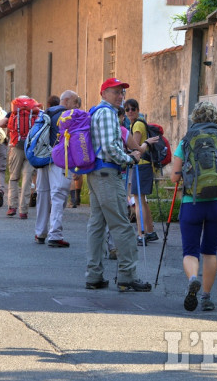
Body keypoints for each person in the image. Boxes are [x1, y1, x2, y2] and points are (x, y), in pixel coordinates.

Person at [85, 78, 151, 292]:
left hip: (96, 172)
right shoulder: (107, 114)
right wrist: (130, 158)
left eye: (121, 92)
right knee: (122, 225)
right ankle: (127, 276)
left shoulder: (97, 112)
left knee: (97, 225)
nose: (120, 96)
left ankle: (94, 275)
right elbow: (110, 148)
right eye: (115, 92)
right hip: (107, 172)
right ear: (103, 93)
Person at [170, 101, 217, 312]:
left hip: (191, 203)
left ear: (194, 118)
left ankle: (193, 278)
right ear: (215, 119)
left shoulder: (186, 142)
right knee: (210, 252)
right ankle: (206, 297)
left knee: (190, 251)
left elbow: (174, 177)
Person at [34, 91, 78, 248]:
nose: (77, 106)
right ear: (66, 101)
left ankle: (40, 232)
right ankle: (55, 234)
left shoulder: (46, 113)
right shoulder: (67, 115)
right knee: (58, 196)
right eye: (75, 102)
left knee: (43, 195)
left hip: (42, 158)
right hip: (59, 160)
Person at [124, 98, 160, 246]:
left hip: (141, 165)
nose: (130, 112)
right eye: (127, 109)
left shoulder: (137, 124)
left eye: (133, 109)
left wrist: (126, 149)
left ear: (138, 110)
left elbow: (136, 147)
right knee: (142, 201)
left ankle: (141, 234)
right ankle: (150, 231)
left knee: (138, 202)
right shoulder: (138, 123)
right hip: (145, 165)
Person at [0, 96, 38, 219]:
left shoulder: (13, 113)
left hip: (16, 147)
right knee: (27, 180)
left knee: (14, 178)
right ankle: (23, 210)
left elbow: (1, 124)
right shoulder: (36, 112)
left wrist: (10, 127)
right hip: (31, 148)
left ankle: (12, 206)